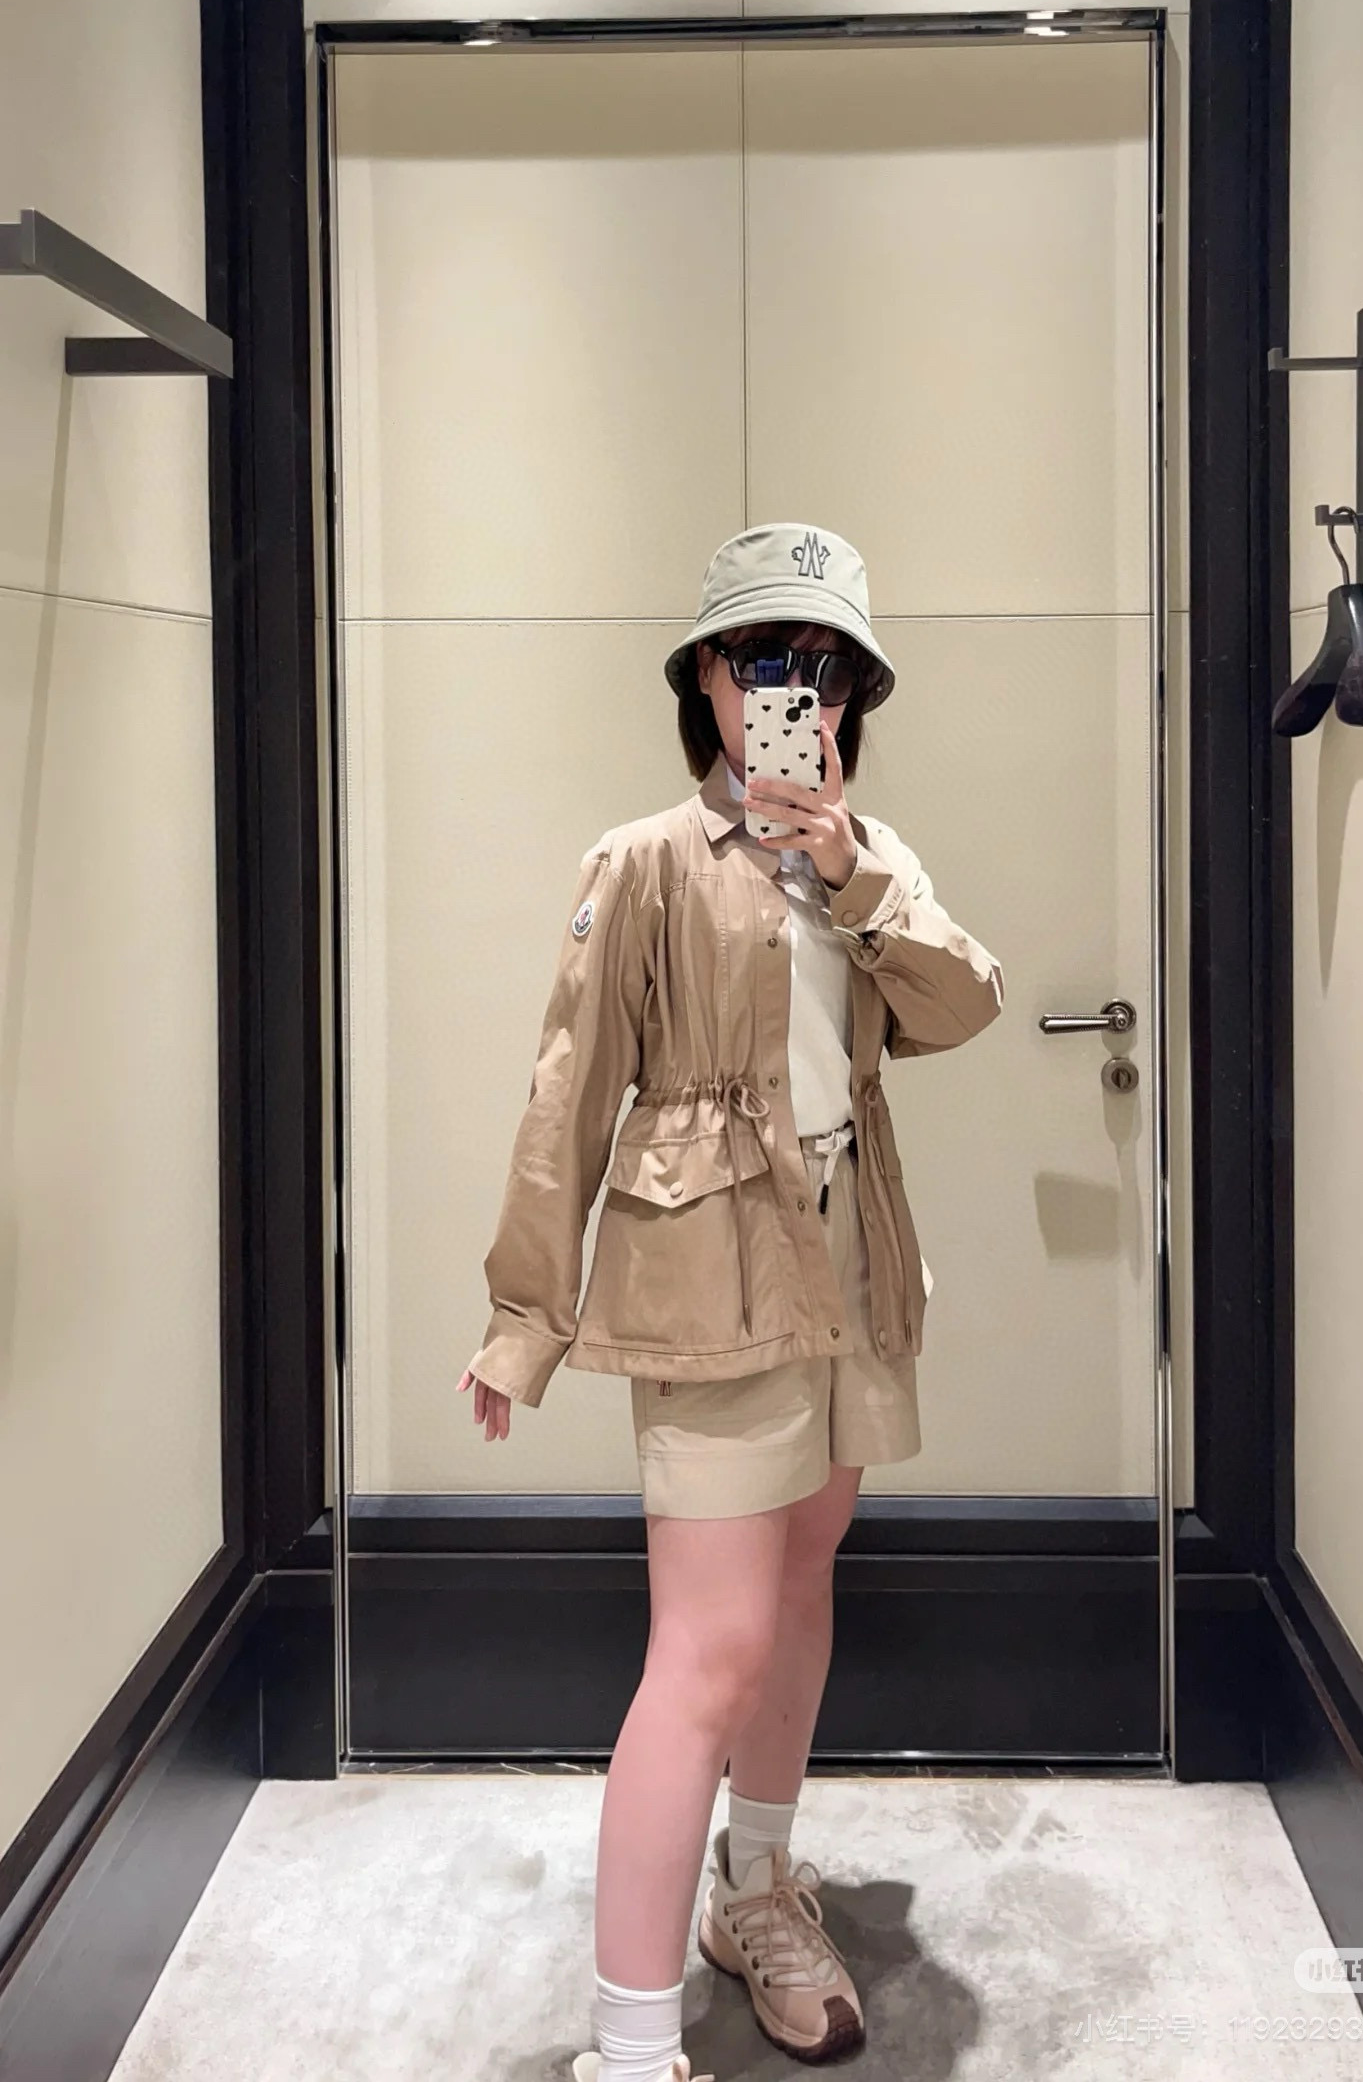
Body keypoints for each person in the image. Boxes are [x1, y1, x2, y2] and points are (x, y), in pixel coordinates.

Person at [455, 523, 1005, 2082]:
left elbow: (961, 1003)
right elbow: (567, 1097)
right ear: (707, 677)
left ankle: (756, 1890)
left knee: (804, 1585)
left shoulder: (868, 859)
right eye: (766, 658)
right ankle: (631, 2051)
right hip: (707, 1272)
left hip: (851, 1266)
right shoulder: (642, 863)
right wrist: (522, 1318)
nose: (794, 691)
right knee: (706, 1648)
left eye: (824, 666)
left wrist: (848, 870)